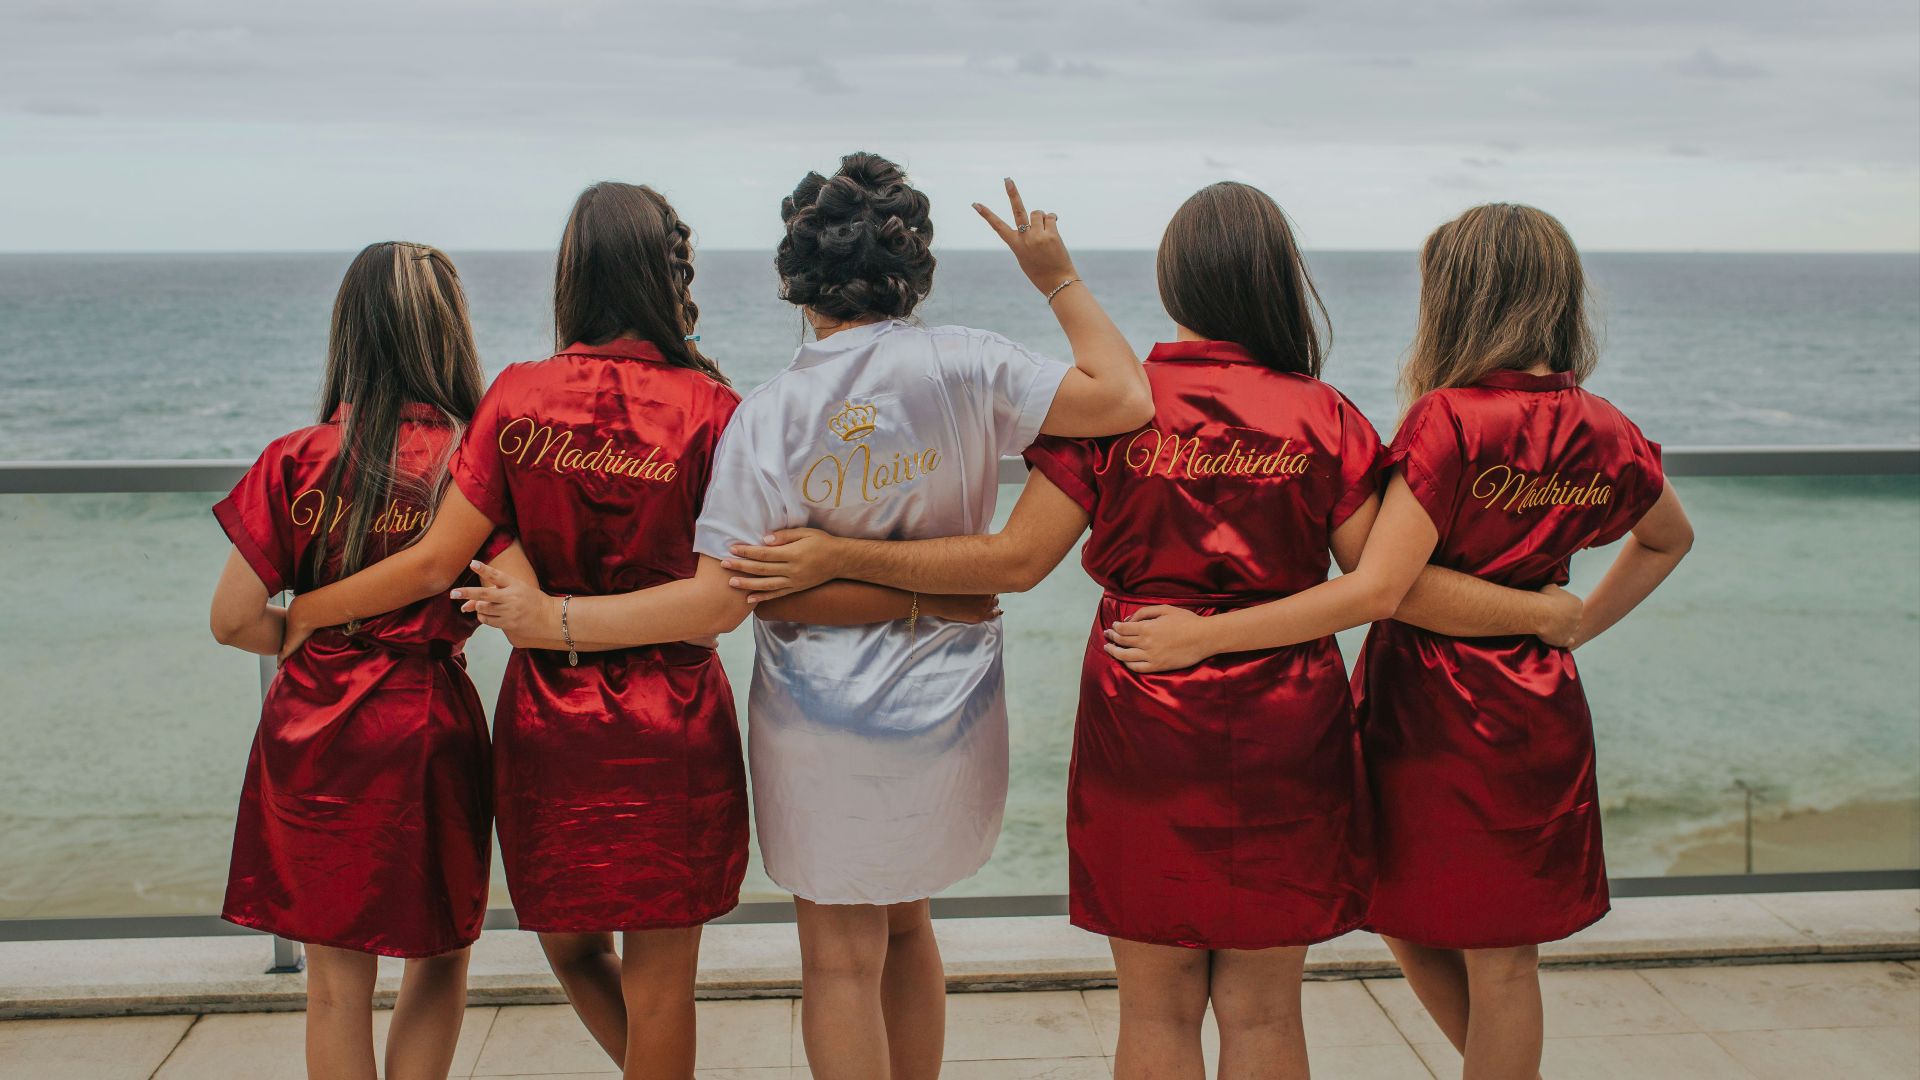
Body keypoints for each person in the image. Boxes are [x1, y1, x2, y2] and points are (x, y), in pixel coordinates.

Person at [715, 183, 1582, 1080]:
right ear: (1280, 282)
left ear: (1173, 283)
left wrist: (836, 559)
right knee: (1265, 1014)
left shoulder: (1119, 415)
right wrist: (1534, 608)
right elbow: (1388, 585)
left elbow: (1014, 559)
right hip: (1291, 721)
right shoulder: (1324, 416)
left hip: (1143, 713)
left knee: (1156, 1010)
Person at [454, 152, 1154, 1080]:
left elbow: (739, 592)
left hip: (819, 711)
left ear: (796, 278)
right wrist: (1054, 275)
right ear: (911, 271)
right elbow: (1126, 398)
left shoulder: (772, 412)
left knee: (837, 957)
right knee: (908, 923)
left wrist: (556, 618)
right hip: (950, 707)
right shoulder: (974, 361)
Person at [1094, 203, 1692, 1080]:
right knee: (1480, 947)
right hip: (1540, 700)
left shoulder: (1449, 421)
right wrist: (1567, 620)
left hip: (1435, 706)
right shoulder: (1605, 426)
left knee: (1448, 937)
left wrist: (1204, 637)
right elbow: (1669, 537)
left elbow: (1384, 585)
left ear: (1457, 297)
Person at [278, 184, 749, 1080]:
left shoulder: (516, 397)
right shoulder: (714, 409)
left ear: (570, 275)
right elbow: (723, 597)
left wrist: (306, 611)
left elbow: (432, 561)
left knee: (574, 953)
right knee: (664, 989)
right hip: (675, 718)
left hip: (549, 721)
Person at [208, 241, 499, 1080]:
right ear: (449, 333)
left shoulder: (296, 458)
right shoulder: (471, 459)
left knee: (335, 985)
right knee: (438, 957)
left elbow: (232, 621)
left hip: (311, 729)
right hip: (423, 724)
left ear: (350, 332)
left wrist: (303, 630)